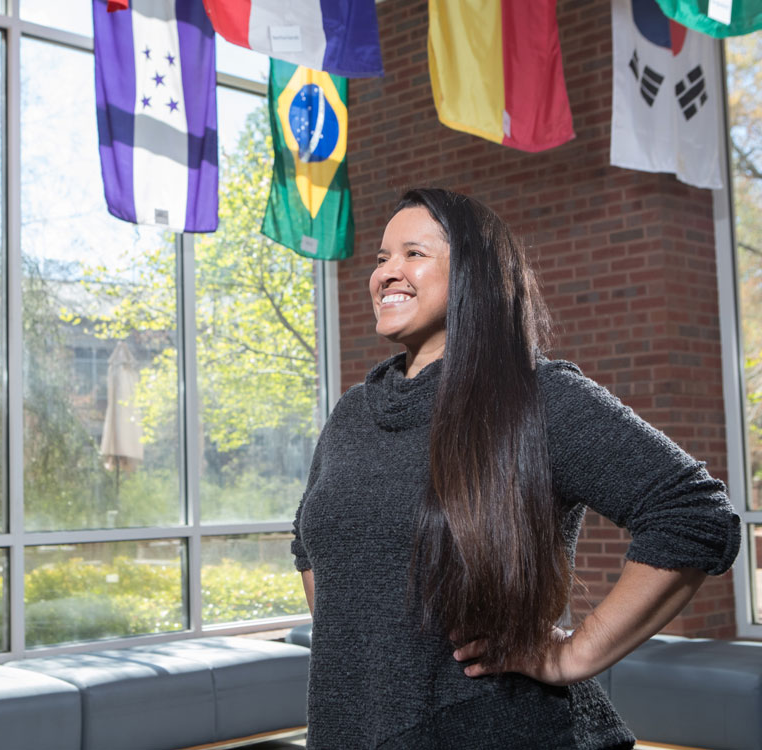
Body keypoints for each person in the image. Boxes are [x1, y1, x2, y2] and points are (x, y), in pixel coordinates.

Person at [291, 188, 741, 749]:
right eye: (382, 258)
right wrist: (373, 658)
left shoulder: (536, 397)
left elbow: (693, 514)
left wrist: (573, 653)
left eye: (414, 253)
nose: (387, 273)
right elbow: (310, 545)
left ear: (473, 276)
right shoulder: (354, 411)